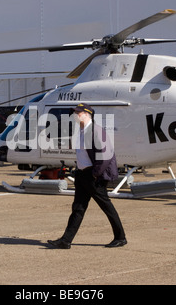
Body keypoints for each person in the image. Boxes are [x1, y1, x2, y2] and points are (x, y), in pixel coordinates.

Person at [48, 103, 126, 249]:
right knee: (78, 208)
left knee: (106, 206)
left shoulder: (97, 131)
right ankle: (66, 240)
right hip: (82, 174)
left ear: (87, 114)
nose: (75, 115)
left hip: (93, 176)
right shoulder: (81, 131)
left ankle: (120, 237)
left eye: (78, 112)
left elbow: (105, 156)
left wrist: (95, 174)